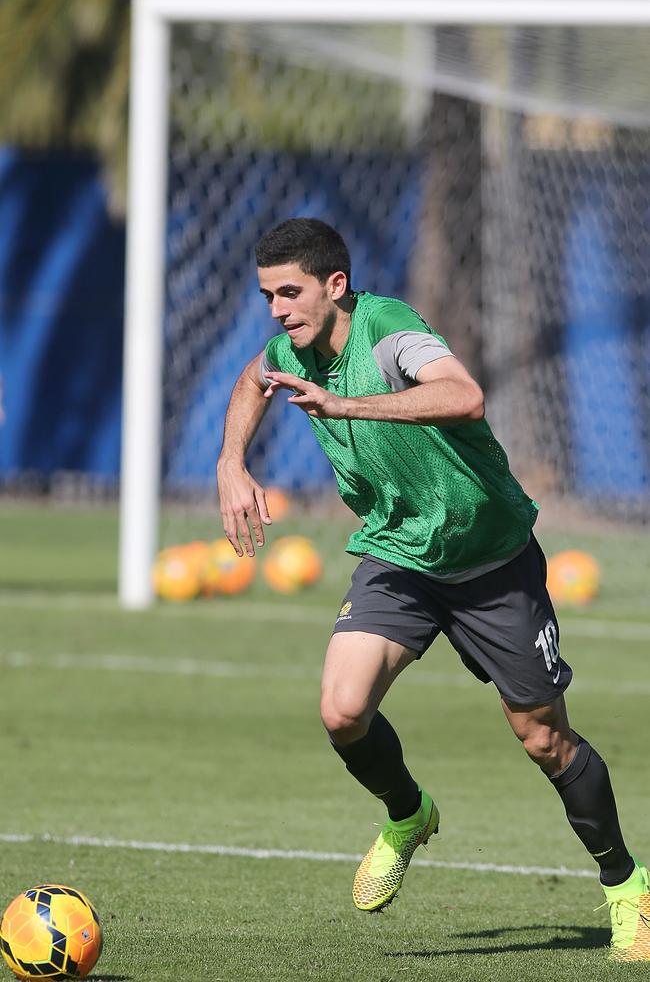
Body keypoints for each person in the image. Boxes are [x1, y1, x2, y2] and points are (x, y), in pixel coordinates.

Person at [216, 217, 649, 961]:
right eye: (268, 296)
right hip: (400, 559)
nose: (279, 309)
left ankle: (627, 887)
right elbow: (254, 377)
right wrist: (231, 461)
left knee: (544, 740)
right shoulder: (290, 348)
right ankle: (407, 814)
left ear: (336, 285)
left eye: (291, 292)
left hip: (491, 561)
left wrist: (347, 405)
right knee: (342, 709)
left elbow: (464, 395)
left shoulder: (391, 333)